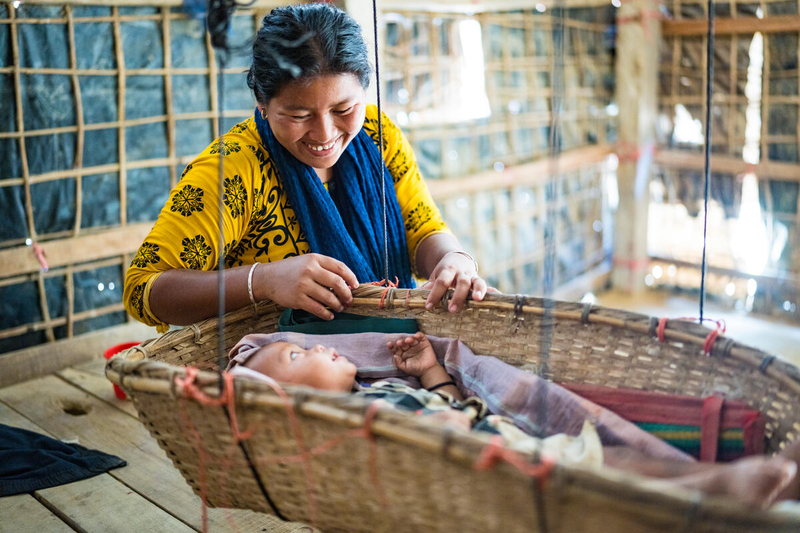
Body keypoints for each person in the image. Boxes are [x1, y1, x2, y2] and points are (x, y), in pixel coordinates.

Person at [123, 3, 487, 333]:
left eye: (344, 110)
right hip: (281, 376)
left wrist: (452, 259)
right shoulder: (232, 171)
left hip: (395, 354)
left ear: (364, 91)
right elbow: (143, 289)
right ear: (262, 103)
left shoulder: (378, 136)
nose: (325, 134)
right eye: (299, 116)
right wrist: (262, 280)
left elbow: (421, 230)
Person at [231, 332, 800, 509]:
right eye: (296, 358)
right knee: (616, 484)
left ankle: (741, 478)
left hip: (509, 442)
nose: (315, 349)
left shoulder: (380, 385)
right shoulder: (343, 427)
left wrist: (430, 369)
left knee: (620, 462)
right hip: (500, 475)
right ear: (288, 403)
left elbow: (456, 405)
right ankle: (730, 487)